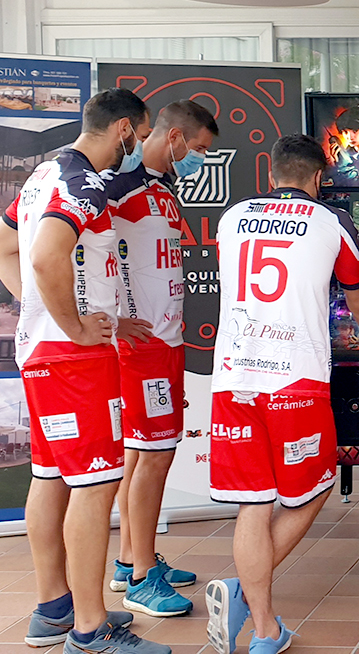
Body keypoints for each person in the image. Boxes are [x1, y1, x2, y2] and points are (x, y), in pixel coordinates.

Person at [0, 88, 170, 654]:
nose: (140, 146)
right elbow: (47, 256)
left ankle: (54, 609)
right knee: (96, 486)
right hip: (71, 361)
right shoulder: (83, 182)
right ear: (123, 129)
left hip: (44, 355)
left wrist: (48, 313)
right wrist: (71, 326)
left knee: (51, 477)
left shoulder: (42, 176)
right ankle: (90, 629)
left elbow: (5, 247)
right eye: (141, 136)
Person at [204, 134, 359, 654]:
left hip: (234, 378)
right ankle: (253, 606)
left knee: (254, 504)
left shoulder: (231, 218)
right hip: (294, 379)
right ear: (319, 178)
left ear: (272, 173)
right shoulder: (331, 222)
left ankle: (265, 627)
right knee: (314, 487)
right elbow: (358, 297)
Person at [105, 100, 219, 616]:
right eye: (196, 149)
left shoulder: (164, 187)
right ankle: (142, 580)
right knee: (152, 456)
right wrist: (107, 318)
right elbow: (79, 251)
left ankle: (134, 559)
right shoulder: (117, 188)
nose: (199, 160)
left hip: (168, 341)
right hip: (141, 348)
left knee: (144, 454)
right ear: (172, 136)